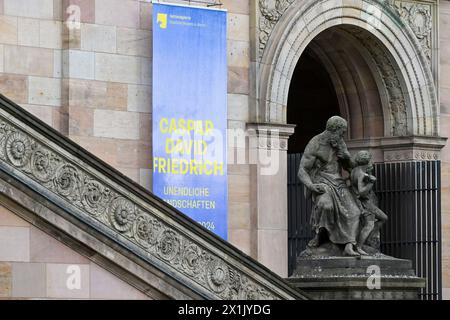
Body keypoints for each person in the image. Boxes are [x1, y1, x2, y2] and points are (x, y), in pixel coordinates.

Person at [298, 116, 362, 256]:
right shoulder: (316, 143)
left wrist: (346, 157)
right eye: (342, 132)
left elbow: (350, 168)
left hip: (338, 182)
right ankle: (320, 235)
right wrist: (311, 186)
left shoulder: (339, 143)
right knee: (326, 205)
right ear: (334, 130)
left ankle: (349, 245)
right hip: (322, 181)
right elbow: (302, 170)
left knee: (355, 211)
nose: (343, 135)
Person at [350, 151, 388, 255]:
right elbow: (362, 191)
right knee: (370, 224)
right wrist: (371, 182)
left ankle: (368, 238)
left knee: (383, 218)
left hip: (363, 202)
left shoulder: (355, 170)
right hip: (366, 203)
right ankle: (359, 246)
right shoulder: (361, 173)